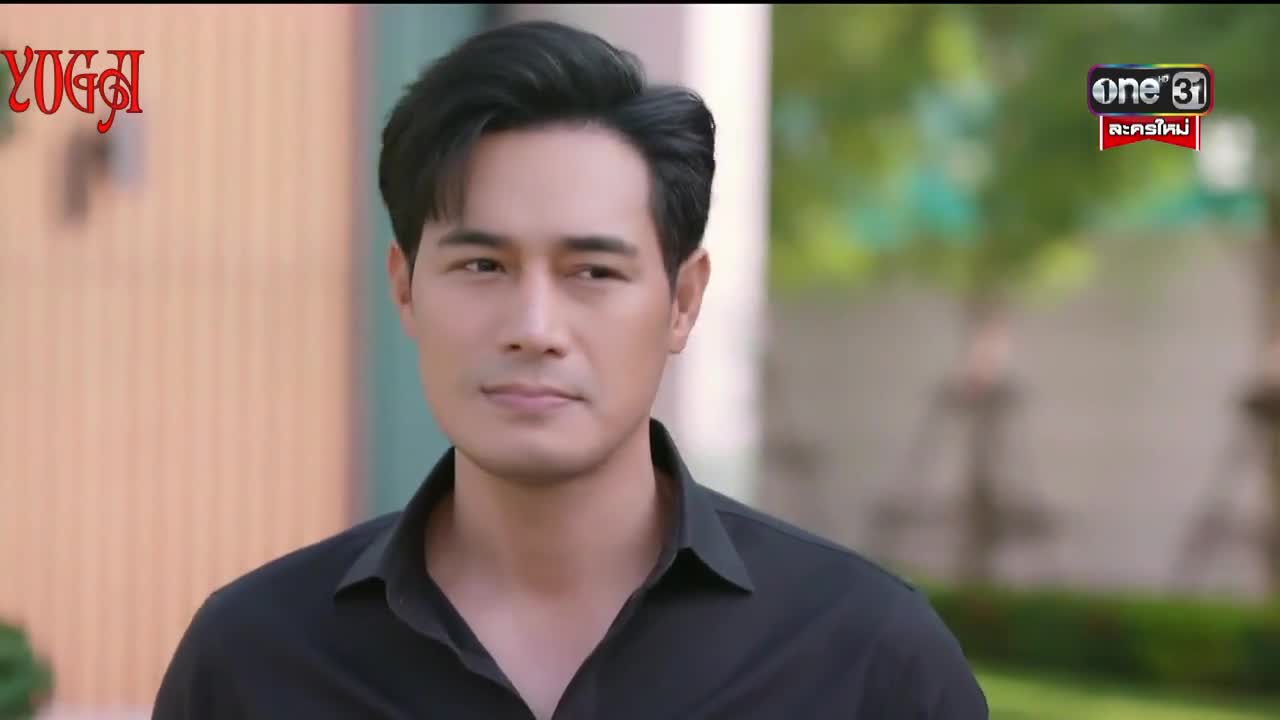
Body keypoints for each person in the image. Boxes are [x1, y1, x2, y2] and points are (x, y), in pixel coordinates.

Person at [152, 20, 988, 720]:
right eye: (482, 266)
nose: (535, 329)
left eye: (593, 271)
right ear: (404, 289)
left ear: (682, 301)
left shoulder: (865, 657)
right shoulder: (255, 659)